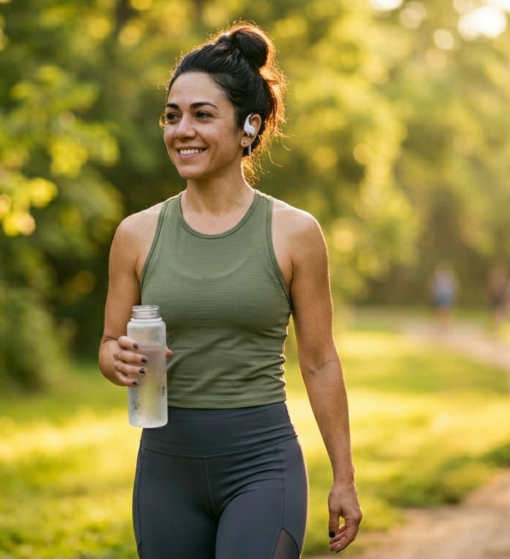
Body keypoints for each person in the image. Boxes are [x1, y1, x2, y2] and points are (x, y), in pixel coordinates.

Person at [98, 23, 361, 557]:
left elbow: (320, 361)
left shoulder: (294, 233)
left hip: (262, 466)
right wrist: (115, 360)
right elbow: (108, 345)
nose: (181, 130)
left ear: (249, 126)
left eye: (201, 114)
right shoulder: (136, 234)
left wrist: (344, 476)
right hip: (165, 469)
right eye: (172, 116)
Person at [429, 261, 458, 332]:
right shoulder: (444, 276)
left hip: (443, 295)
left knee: (443, 310)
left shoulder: (443, 276)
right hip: (442, 295)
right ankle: (443, 325)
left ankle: (443, 325)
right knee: (442, 310)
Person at [485, 264, 509, 331]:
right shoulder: (493, 283)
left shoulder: (504, 283)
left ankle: (501, 328)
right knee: (495, 315)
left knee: (501, 314)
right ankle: (496, 328)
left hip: (501, 300)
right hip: (495, 300)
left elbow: (506, 292)